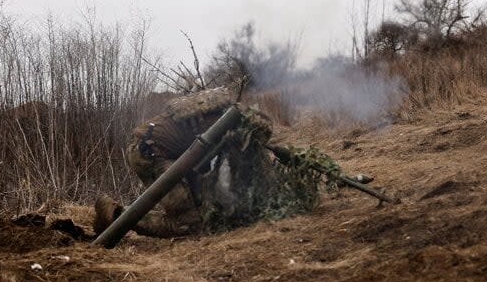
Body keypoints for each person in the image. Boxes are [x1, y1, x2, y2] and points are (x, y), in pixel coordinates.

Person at [94, 88, 325, 238]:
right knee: (189, 223)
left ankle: (123, 219)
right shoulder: (229, 125)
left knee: (199, 206)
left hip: (156, 149)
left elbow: (209, 167)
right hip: (150, 154)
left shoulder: (221, 113)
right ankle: (116, 216)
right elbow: (232, 168)